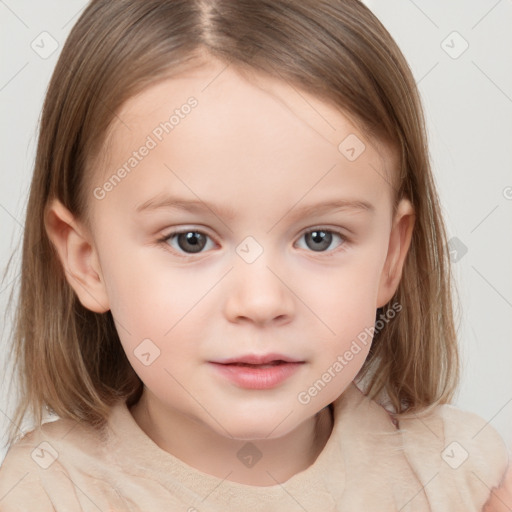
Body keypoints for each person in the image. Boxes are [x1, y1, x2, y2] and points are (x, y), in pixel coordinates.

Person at [0, 0, 508, 510]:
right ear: (86, 260)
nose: (262, 302)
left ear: (392, 255)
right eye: (190, 240)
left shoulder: (463, 476)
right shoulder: (46, 494)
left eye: (319, 238)